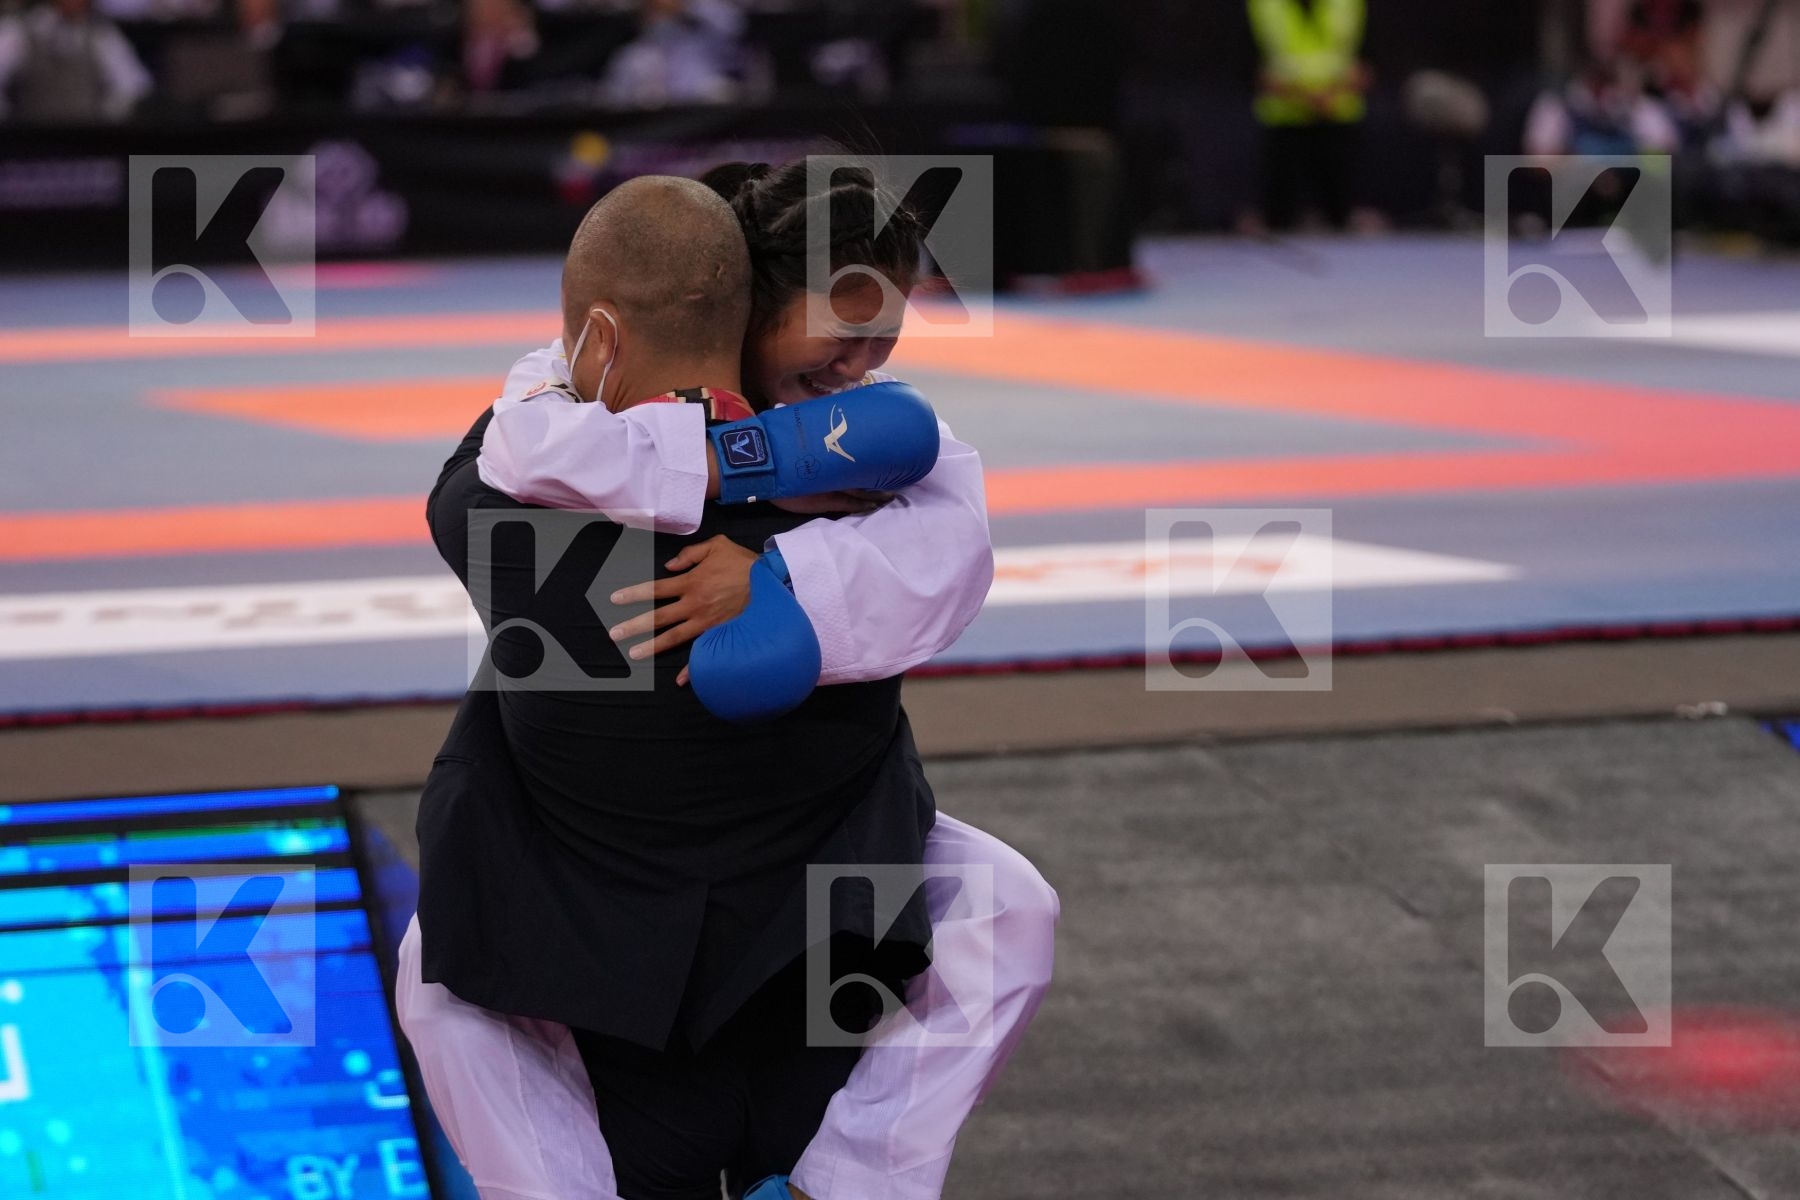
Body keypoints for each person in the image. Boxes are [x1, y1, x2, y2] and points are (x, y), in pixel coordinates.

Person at [398, 163, 1058, 1200]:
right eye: (841, 335)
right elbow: (534, 435)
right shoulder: (571, 431)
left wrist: (779, 569)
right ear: (750, 305)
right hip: (642, 878)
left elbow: (955, 549)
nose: (862, 369)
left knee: (1011, 908)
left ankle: (842, 1185)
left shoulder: (873, 448)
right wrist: (742, 465)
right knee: (443, 971)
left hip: (774, 885)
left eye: (885, 342)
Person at [1246, 0, 1367, 231]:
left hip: (1337, 119)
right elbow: (1253, 70)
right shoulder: (1265, 6)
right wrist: (1306, 97)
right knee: (1278, 213)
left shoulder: (1347, 5)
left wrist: (1330, 95)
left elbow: (1366, 65)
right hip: (1284, 122)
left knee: (1341, 213)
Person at [0, 0, 151, 123]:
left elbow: (132, 85)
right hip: (31, 141)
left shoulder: (101, 34)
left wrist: (105, 117)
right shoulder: (20, 30)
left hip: (86, 140)